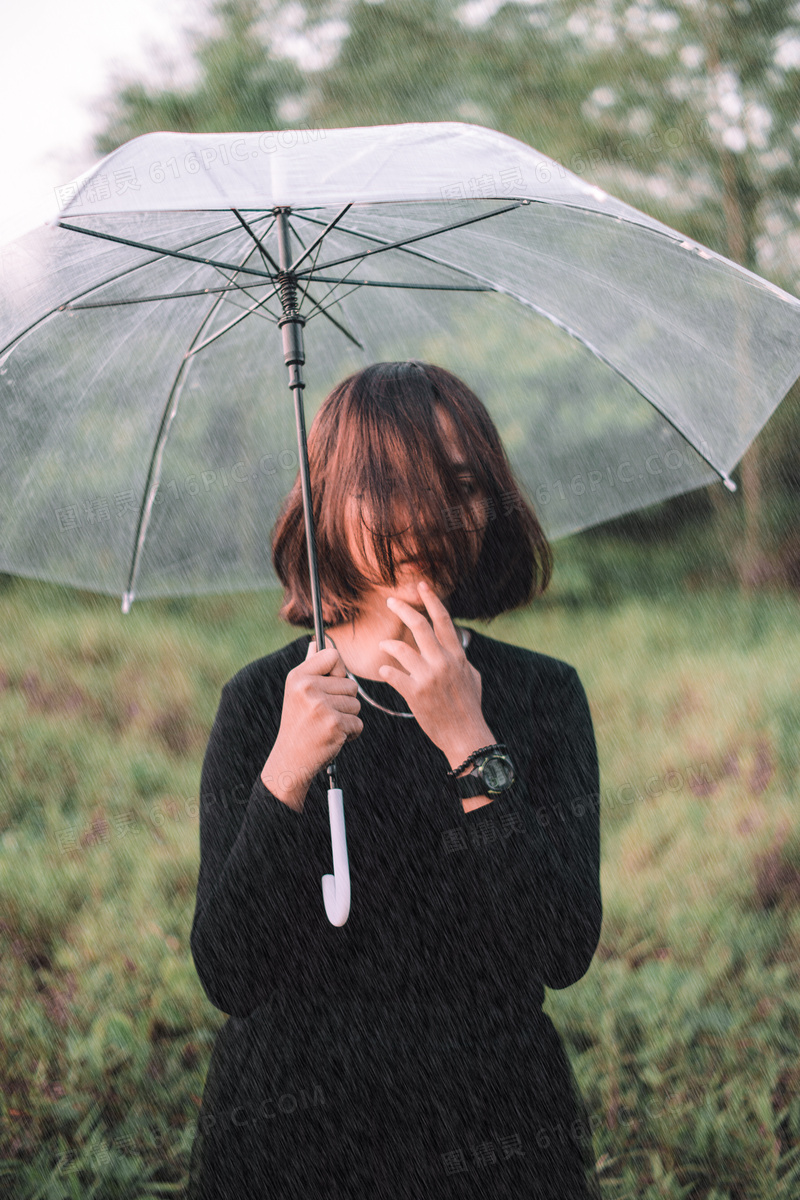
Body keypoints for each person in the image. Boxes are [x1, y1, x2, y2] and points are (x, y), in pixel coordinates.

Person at [187, 360, 603, 1199]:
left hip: (494, 1131)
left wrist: (468, 738)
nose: (432, 518)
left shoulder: (540, 694)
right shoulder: (265, 701)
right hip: (292, 1142)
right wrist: (286, 772)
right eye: (393, 487)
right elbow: (230, 972)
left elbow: (561, 948)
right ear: (330, 504)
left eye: (460, 485)